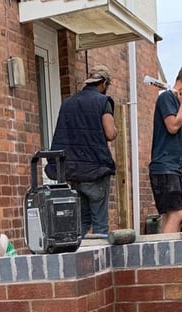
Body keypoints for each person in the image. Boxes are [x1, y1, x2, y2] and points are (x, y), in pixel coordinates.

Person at [46, 64, 118, 237]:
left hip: (74, 172)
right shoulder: (103, 101)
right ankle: (100, 254)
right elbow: (110, 133)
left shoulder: (68, 103)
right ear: (104, 83)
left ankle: (80, 251)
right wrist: (116, 130)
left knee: (83, 221)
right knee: (100, 223)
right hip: (95, 171)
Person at [148, 64, 182, 234]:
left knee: (168, 215)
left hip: (169, 168)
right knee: (177, 214)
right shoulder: (166, 98)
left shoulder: (173, 100)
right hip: (166, 167)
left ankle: (163, 249)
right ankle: (168, 250)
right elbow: (172, 126)